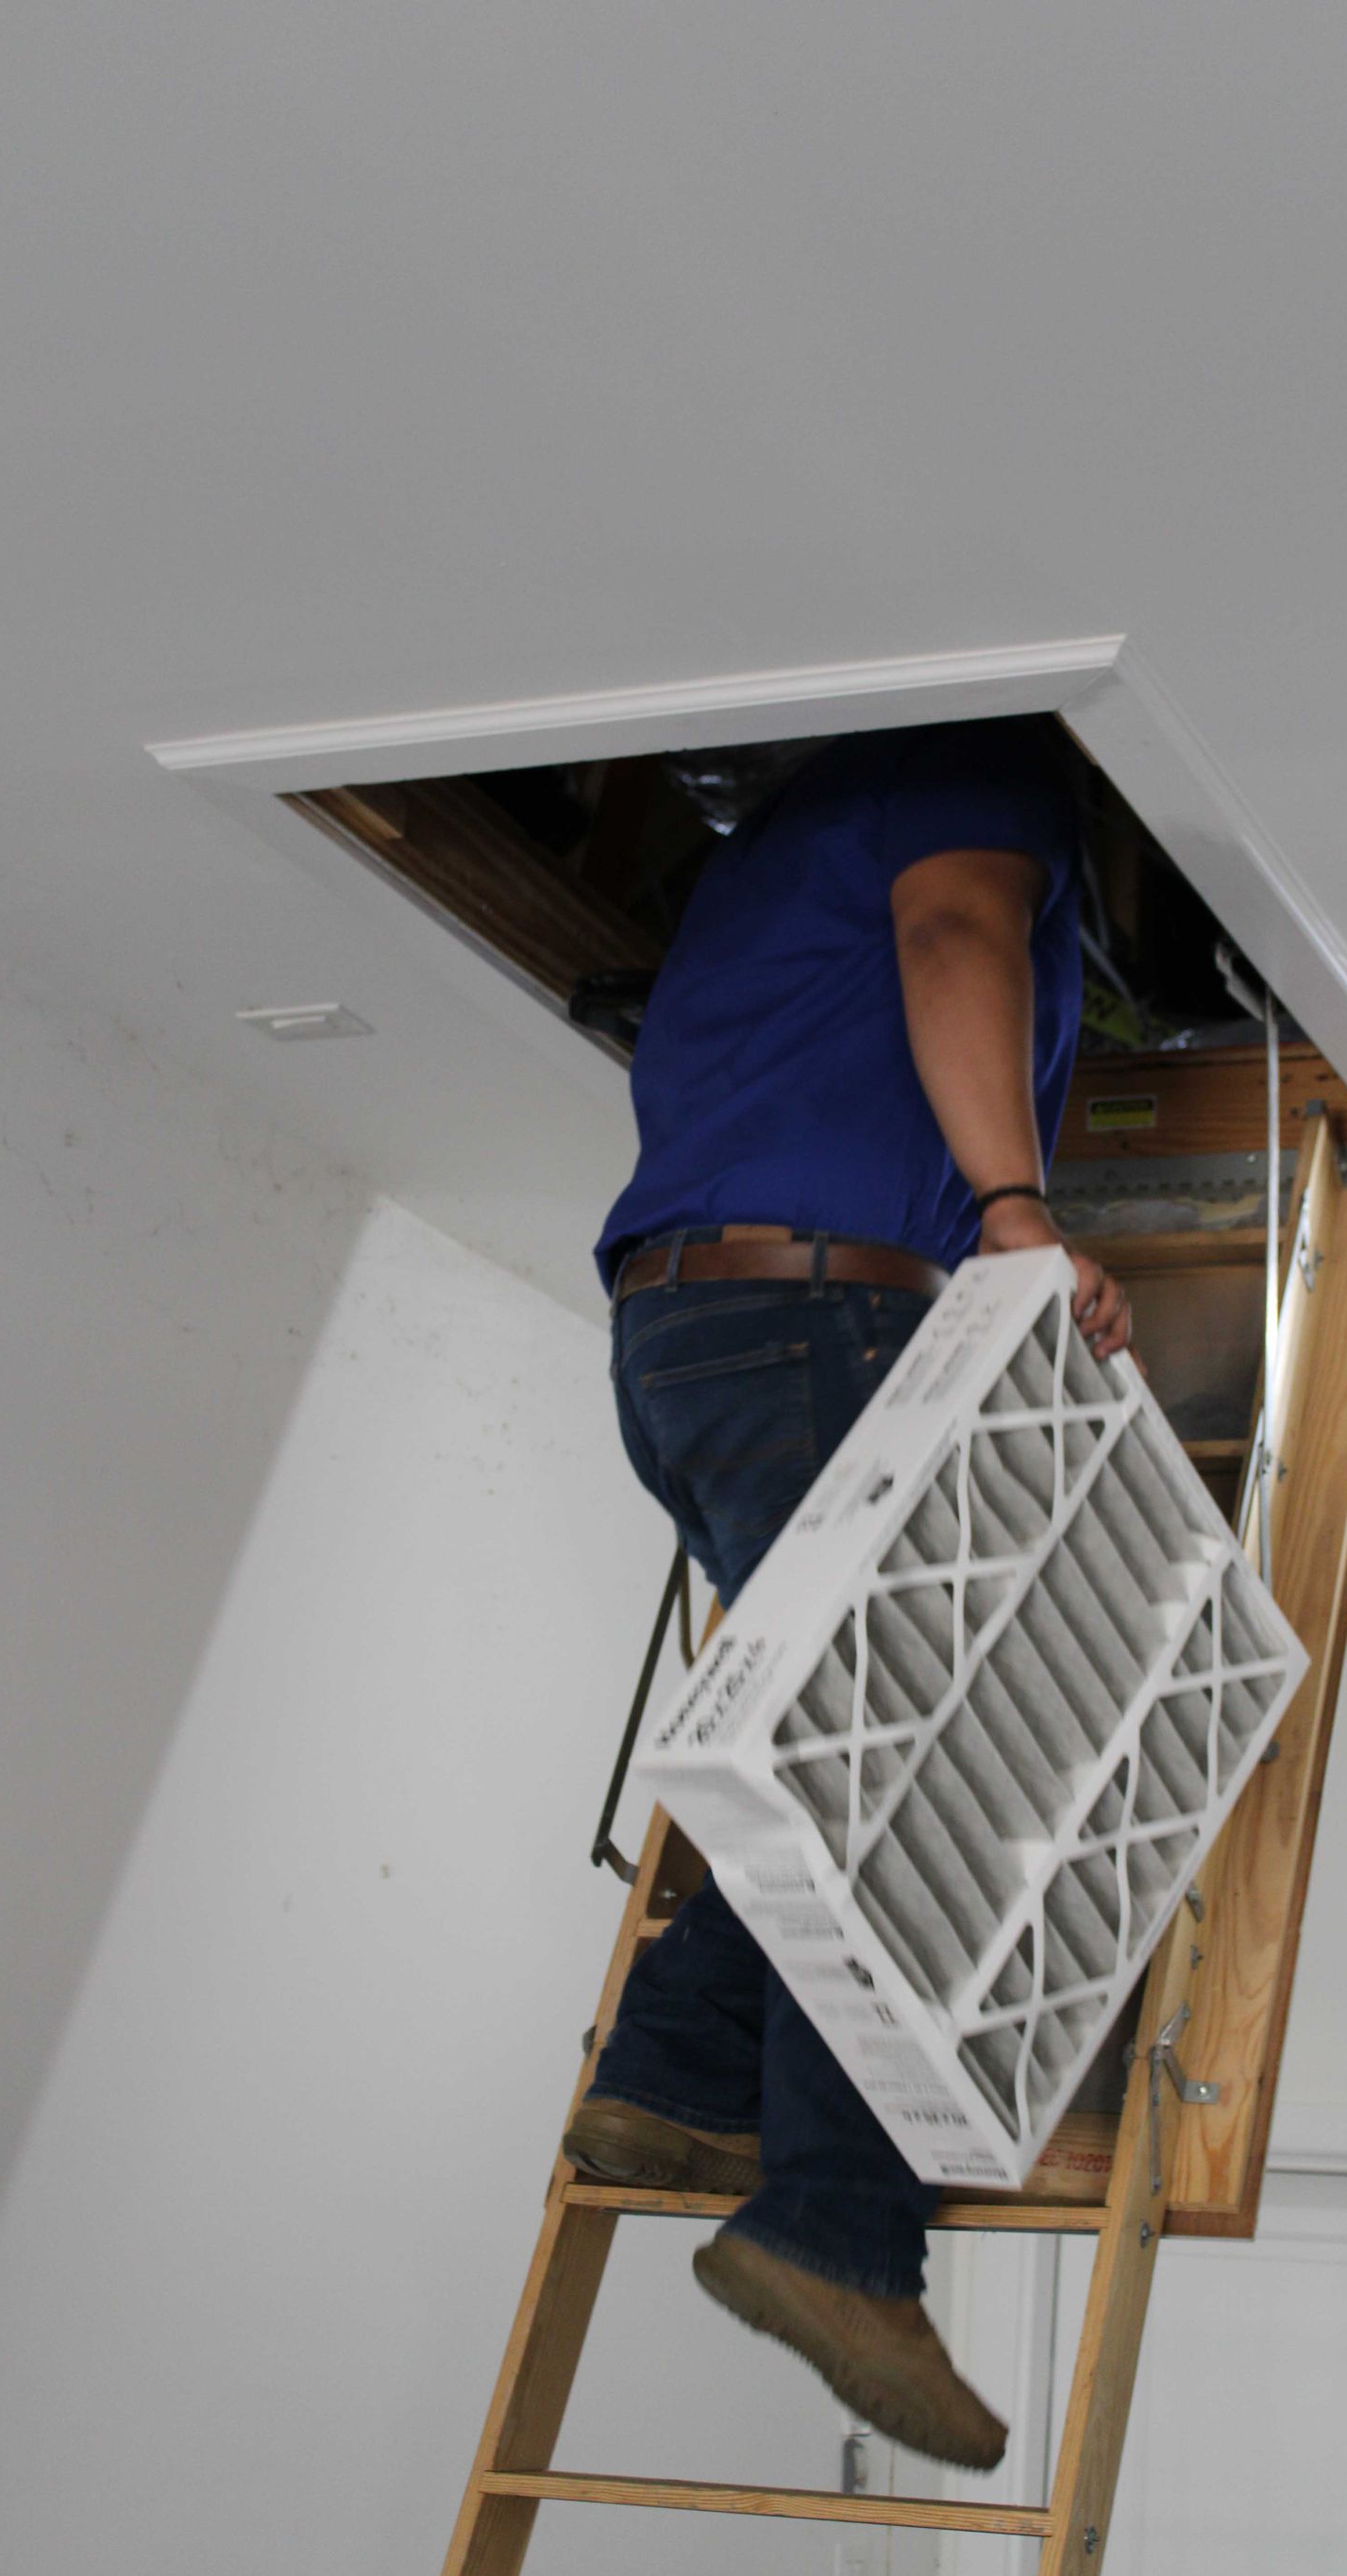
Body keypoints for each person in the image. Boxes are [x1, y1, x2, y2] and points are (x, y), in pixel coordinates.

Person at [564, 715, 1132, 2470]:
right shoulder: (979, 775)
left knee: (852, 1745)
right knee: (914, 1773)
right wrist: (1016, 1207)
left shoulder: (767, 862)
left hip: (696, 1336)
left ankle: (670, 2074)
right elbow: (959, 930)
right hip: (819, 1318)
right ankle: (834, 2234)